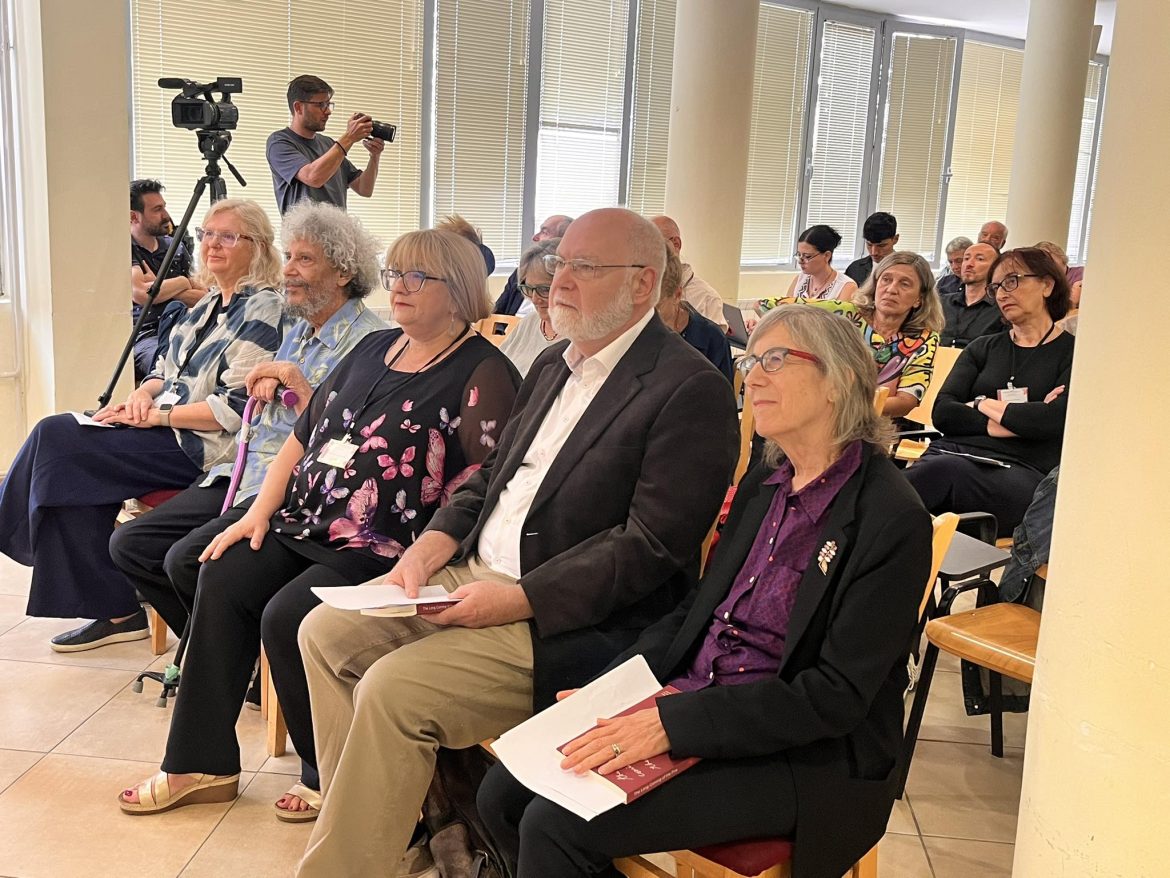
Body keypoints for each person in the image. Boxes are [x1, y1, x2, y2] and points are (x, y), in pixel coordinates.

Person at [293, 208, 739, 878]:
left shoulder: (689, 388)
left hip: (567, 617)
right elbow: (489, 480)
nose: (560, 282)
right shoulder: (555, 363)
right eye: (559, 264)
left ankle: (346, 868)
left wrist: (517, 600)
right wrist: (427, 549)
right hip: (475, 572)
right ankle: (397, 831)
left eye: (585, 267)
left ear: (643, 284)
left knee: (392, 690)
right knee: (324, 633)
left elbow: (649, 548)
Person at [477, 304, 933, 878]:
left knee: (555, 824)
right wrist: (611, 691)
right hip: (697, 698)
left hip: (799, 750)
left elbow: (833, 696)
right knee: (501, 794)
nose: (752, 377)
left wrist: (672, 724)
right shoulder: (766, 483)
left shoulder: (890, 516)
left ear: (838, 381)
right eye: (751, 361)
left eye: (774, 359)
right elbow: (698, 610)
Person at [117, 228, 521, 822]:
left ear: (458, 290)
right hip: (304, 518)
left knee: (289, 615)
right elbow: (304, 436)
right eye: (395, 274)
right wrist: (255, 513)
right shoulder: (374, 346)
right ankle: (200, 764)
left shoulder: (484, 372)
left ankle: (324, 769)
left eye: (416, 277)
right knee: (221, 572)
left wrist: (431, 556)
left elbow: (483, 485)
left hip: (386, 544)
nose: (398, 287)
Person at [0, 198, 283, 651]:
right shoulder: (206, 304)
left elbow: (234, 408)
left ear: (260, 246)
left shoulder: (264, 308)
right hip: (162, 426)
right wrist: (139, 397)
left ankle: (22, 533)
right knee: (64, 456)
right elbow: (164, 372)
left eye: (228, 236)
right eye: (207, 234)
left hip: (202, 446)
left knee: (58, 441)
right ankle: (117, 611)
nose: (212, 244)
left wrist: (158, 416)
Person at [109, 201, 387, 642]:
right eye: (289, 256)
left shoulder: (371, 342)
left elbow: (348, 441)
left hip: (289, 485)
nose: (288, 270)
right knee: (132, 545)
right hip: (239, 470)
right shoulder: (299, 328)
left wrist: (297, 388)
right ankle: (223, 652)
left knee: (187, 561)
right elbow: (239, 393)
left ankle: (224, 655)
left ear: (343, 272)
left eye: (305, 259)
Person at [905, 247, 1074, 537]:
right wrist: (1017, 420)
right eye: (996, 287)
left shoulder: (1072, 353)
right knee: (893, 484)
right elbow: (943, 413)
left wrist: (979, 403)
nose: (1002, 294)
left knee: (936, 476)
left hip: (1023, 472)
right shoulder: (982, 347)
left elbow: (1050, 422)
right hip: (953, 453)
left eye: (1012, 281)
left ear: (1047, 285)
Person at [266, 74, 385, 215]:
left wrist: (374, 156)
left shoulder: (329, 145)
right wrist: (349, 137)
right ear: (298, 107)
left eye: (328, 104)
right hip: (303, 230)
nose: (328, 111)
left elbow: (364, 189)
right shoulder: (279, 142)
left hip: (338, 229)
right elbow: (313, 177)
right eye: (320, 105)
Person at [129, 179, 204, 381]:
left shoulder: (175, 247)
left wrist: (159, 288)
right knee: (167, 364)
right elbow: (141, 294)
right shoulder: (127, 248)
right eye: (157, 210)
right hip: (146, 335)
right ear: (134, 216)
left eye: (164, 207)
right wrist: (182, 283)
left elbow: (204, 296)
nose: (166, 215)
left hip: (184, 326)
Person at [656, 240, 733, 382]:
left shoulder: (712, 339)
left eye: (656, 306)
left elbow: (722, 393)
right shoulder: (634, 331)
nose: (645, 316)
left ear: (677, 295)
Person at [650, 215, 729, 331]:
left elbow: (714, 340)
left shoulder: (707, 298)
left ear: (676, 244)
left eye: (654, 244)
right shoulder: (641, 287)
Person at [499, 238, 561, 377]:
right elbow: (499, 366)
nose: (534, 299)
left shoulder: (578, 335)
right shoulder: (530, 321)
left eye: (544, 289)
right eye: (528, 288)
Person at [494, 214, 574, 316]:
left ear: (563, 240)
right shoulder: (522, 271)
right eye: (528, 289)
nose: (535, 237)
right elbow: (497, 312)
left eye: (544, 232)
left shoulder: (569, 279)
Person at [939, 242, 1004, 347]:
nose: (969, 264)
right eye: (966, 258)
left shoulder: (1001, 309)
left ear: (995, 268)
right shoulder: (942, 303)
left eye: (980, 259)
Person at [786, 225, 857, 301]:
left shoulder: (846, 286)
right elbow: (785, 306)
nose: (800, 261)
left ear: (827, 256)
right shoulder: (800, 280)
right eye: (799, 255)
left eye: (807, 256)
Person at [844, 211, 898, 286]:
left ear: (895, 239)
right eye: (869, 245)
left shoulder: (907, 270)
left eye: (881, 245)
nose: (874, 252)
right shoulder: (854, 269)